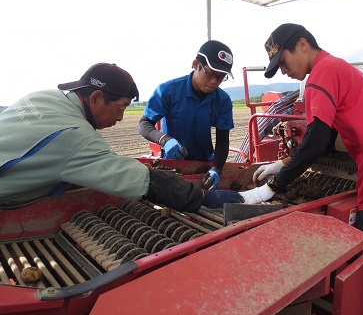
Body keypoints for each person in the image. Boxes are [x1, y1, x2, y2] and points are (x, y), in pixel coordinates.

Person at [238, 23, 363, 263]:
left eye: (283, 62)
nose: (283, 71)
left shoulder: (321, 74)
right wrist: (282, 162)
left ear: (303, 45)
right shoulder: (336, 66)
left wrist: (271, 188)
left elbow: (316, 140)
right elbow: (326, 138)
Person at [0, 63, 242, 211]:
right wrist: (201, 196)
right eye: (121, 107)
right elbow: (139, 180)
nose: (120, 118)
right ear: (95, 98)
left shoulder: (43, 96)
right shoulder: (76, 139)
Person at [138, 40, 234, 190]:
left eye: (221, 77)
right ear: (195, 64)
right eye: (209, 74)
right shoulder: (168, 91)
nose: (214, 82)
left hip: (204, 165)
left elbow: (222, 141)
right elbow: (144, 124)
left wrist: (217, 168)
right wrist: (164, 140)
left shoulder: (223, 100)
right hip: (173, 164)